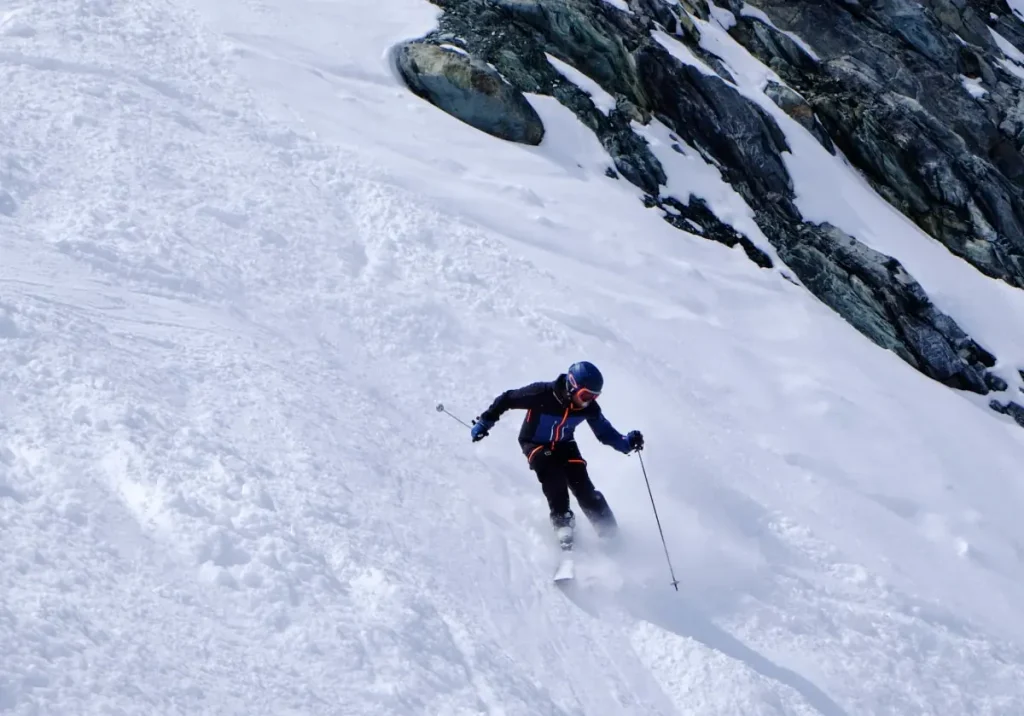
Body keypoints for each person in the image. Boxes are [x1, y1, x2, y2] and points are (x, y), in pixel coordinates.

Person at [470, 361, 644, 546]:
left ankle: (610, 533)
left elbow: (605, 433)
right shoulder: (542, 393)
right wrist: (485, 421)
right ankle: (562, 521)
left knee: (584, 489)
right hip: (534, 442)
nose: (588, 401)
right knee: (552, 472)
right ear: (572, 385)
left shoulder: (589, 408)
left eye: (594, 397)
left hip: (564, 444)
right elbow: (508, 399)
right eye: (585, 395)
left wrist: (627, 444)